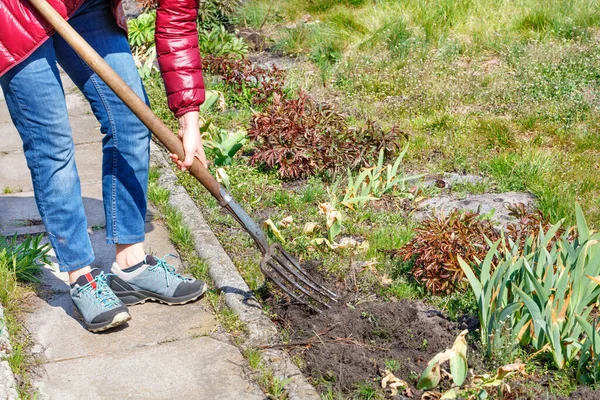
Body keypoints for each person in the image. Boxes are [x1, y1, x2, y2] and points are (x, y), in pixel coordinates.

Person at [0, 0, 209, 332]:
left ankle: (132, 266)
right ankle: (81, 276)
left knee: (130, 120)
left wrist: (190, 117)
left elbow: (178, 18)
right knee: (51, 143)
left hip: (86, 6)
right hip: (16, 13)